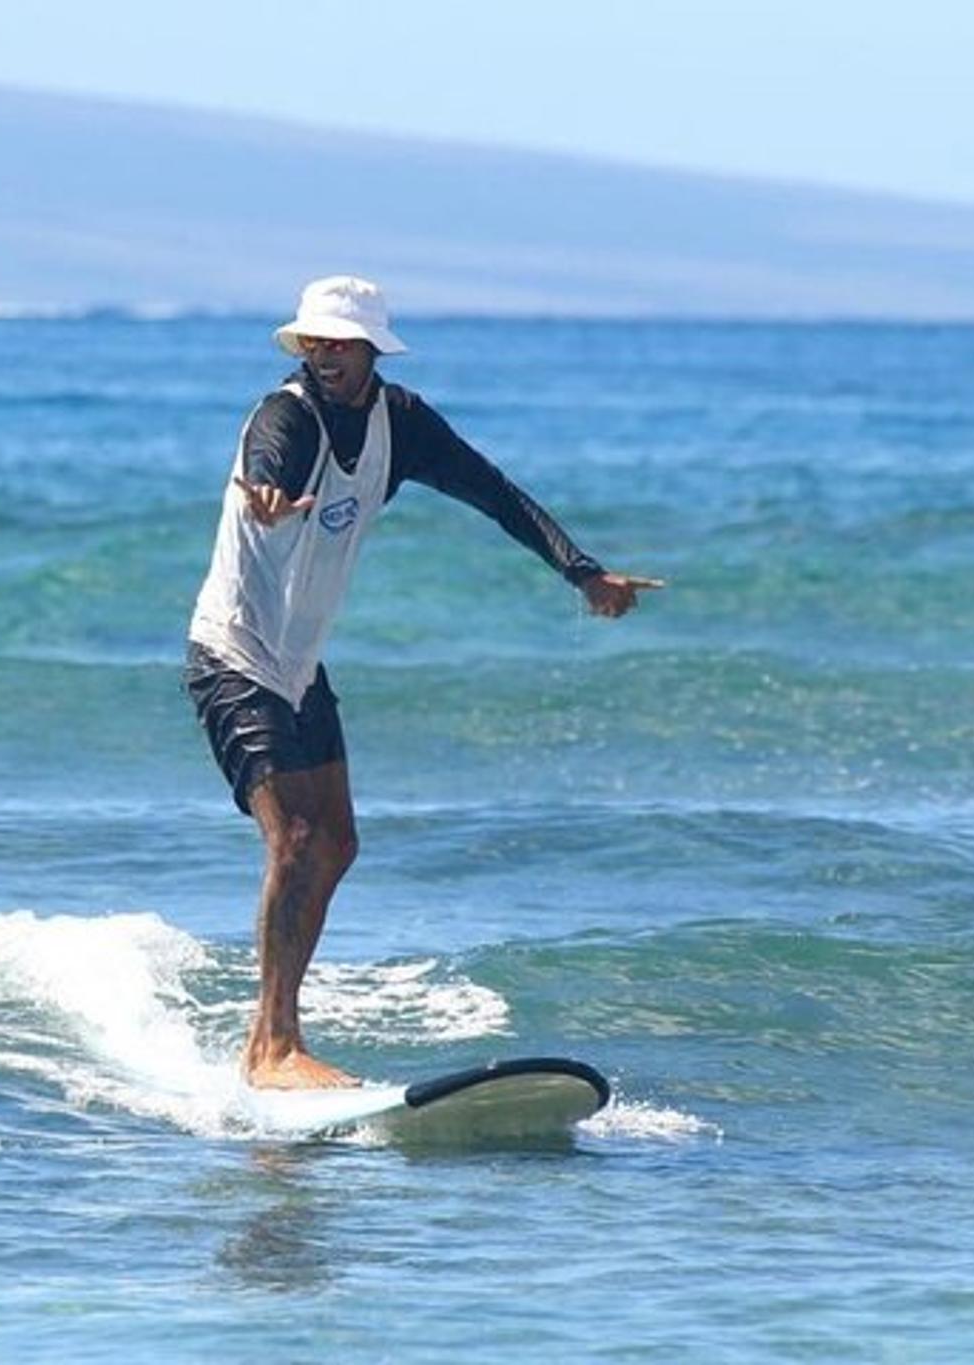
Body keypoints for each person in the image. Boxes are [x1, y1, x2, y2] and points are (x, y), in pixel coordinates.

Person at [185, 275, 662, 1091]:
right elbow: (270, 460)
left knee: (336, 842)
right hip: (234, 652)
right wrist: (266, 495)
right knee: (294, 839)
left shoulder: (398, 425)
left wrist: (582, 572)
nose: (327, 356)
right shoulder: (286, 416)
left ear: (371, 349)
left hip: (299, 664)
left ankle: (269, 1036)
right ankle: (272, 1046)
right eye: (316, 343)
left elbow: (493, 490)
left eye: (342, 343)